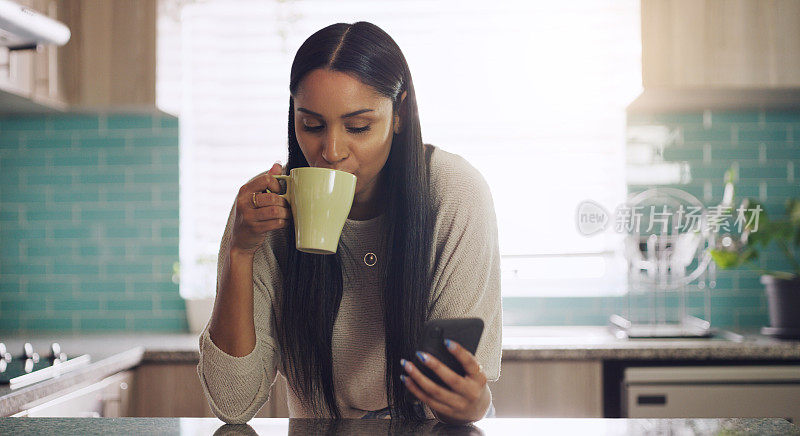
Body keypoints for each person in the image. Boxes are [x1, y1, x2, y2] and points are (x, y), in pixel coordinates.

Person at [197, 21, 502, 424]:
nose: (332, 151)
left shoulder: (454, 193)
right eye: (312, 125)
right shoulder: (267, 213)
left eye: (358, 127)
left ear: (399, 114)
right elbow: (232, 406)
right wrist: (240, 251)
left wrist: (475, 404)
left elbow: (456, 391)